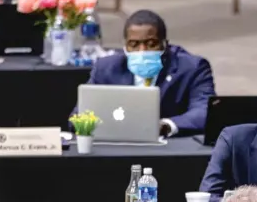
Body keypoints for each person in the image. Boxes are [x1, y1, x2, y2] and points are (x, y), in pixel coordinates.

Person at [73, 9, 215, 137]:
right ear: (125, 46)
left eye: (151, 43)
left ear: (165, 44)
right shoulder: (106, 68)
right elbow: (79, 115)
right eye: (134, 44)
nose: (142, 51)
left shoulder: (193, 68)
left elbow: (205, 112)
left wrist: (166, 125)